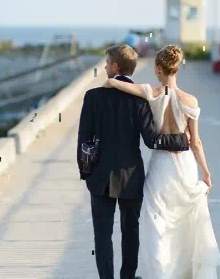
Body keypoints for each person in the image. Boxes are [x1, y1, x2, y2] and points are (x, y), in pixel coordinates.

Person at [104, 45, 220, 278]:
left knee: (158, 224)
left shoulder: (151, 93)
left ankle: (161, 272)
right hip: (184, 166)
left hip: (161, 167)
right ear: (176, 69)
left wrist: (109, 83)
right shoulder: (190, 101)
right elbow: (196, 142)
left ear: (158, 69)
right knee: (185, 220)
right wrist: (206, 173)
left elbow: (119, 84)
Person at [77, 44, 192, 279]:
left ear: (116, 66)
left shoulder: (93, 96)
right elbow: (152, 140)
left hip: (100, 177)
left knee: (102, 234)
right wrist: (183, 139)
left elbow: (83, 141)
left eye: (107, 63)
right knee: (131, 231)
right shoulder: (140, 99)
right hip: (131, 176)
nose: (106, 66)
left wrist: (86, 173)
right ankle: (128, 277)